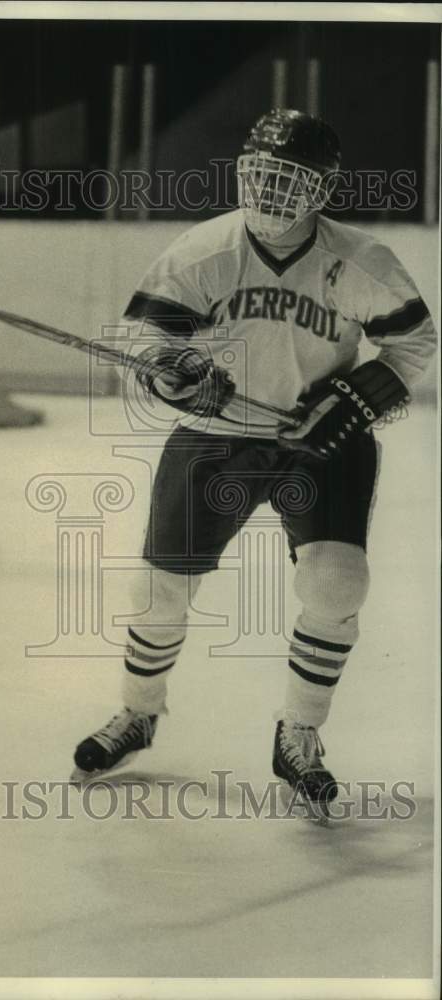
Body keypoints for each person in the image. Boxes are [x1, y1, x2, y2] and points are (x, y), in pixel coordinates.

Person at [72, 109, 436, 816]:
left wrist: (351, 398)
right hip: (217, 436)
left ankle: (298, 735)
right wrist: (174, 368)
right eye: (261, 175)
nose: (270, 193)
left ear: (322, 190)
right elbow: (143, 339)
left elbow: (413, 345)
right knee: (157, 593)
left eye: (288, 180)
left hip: (321, 444)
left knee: (337, 585)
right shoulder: (203, 250)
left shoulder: (360, 262)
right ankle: (139, 713)